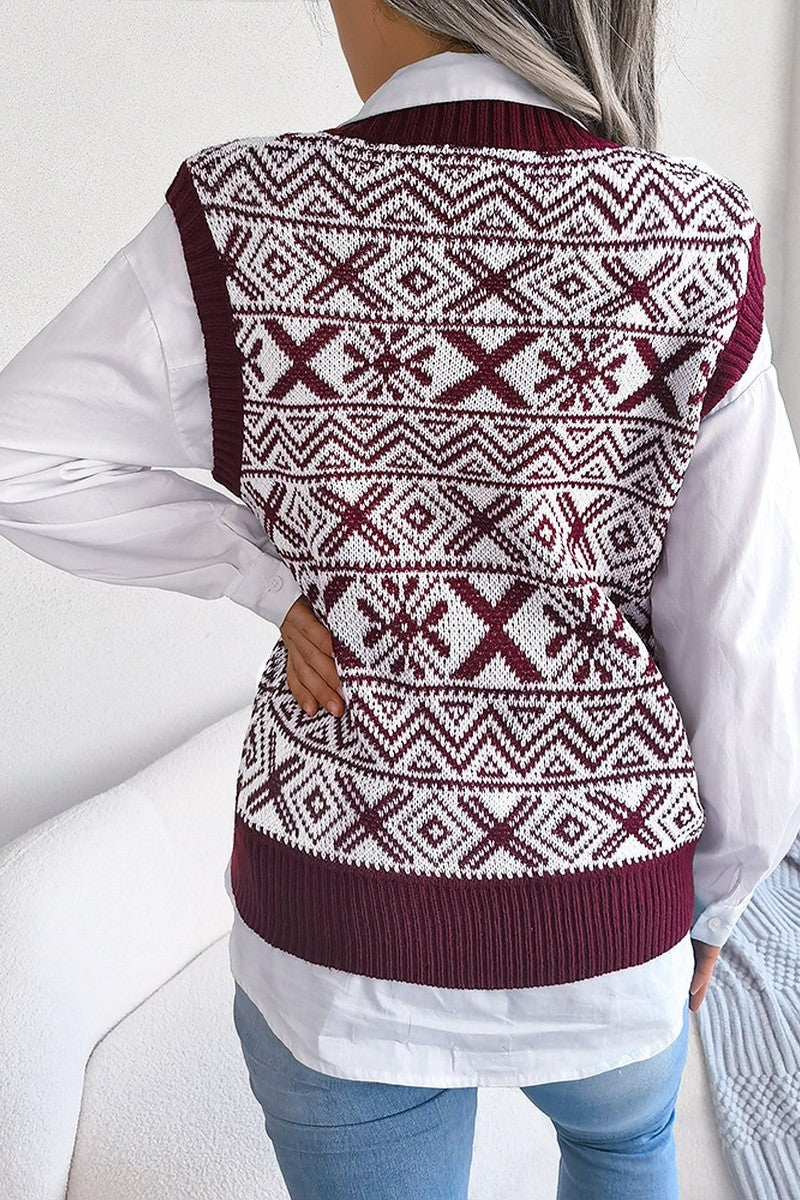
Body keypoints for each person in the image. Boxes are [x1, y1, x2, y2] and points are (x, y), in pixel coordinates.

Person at [2, 2, 799, 1198]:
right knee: (619, 1146)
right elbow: (742, 639)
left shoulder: (241, 216)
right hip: (607, 908)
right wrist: (718, 899)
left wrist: (263, 575)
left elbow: (19, 451)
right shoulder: (694, 234)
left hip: (333, 927)